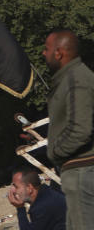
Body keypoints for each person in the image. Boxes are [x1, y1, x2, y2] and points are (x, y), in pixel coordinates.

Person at [43, 29, 94, 229]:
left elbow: (81, 129)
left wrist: (54, 152)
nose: (43, 54)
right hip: (76, 172)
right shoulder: (68, 79)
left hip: (82, 170)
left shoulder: (77, 78)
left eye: (46, 49)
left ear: (59, 53)